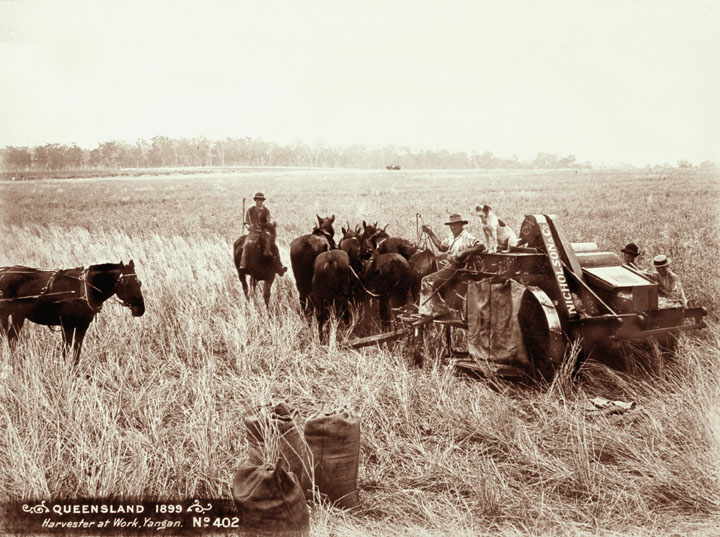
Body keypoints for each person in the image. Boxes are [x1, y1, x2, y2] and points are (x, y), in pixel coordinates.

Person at [418, 213, 486, 317]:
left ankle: (436, 310)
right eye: (451, 225)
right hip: (449, 266)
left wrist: (464, 252)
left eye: (455, 225)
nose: (452, 227)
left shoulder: (466, 237)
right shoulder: (451, 237)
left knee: (426, 280)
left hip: (457, 268)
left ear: (461, 225)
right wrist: (430, 233)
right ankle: (439, 308)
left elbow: (481, 246)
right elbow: (442, 247)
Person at [239, 192, 286, 275]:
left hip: (263, 233)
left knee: (274, 246)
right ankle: (243, 265)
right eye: (258, 200)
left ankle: (279, 266)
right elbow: (246, 222)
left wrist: (270, 225)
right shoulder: (250, 210)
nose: (260, 201)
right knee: (246, 245)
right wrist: (248, 227)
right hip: (253, 233)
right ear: (255, 200)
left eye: (261, 200)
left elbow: (268, 221)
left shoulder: (266, 210)